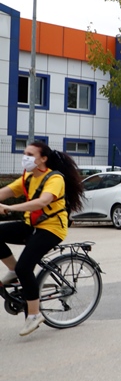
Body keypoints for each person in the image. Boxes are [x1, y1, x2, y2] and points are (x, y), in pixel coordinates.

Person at [0, 141, 85, 336]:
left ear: (43, 159)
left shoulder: (54, 178)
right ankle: (12, 270)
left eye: (30, 154)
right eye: (25, 153)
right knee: (17, 266)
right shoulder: (28, 178)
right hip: (32, 225)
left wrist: (10, 208)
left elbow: (43, 201)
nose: (25, 157)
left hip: (52, 229)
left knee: (25, 267)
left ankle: (34, 315)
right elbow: (6, 192)